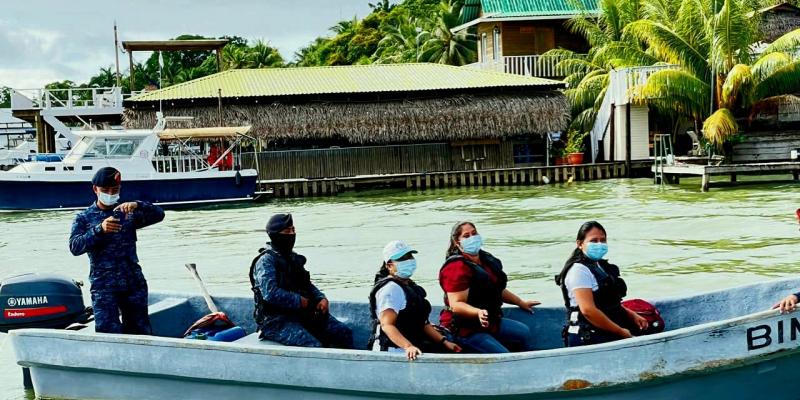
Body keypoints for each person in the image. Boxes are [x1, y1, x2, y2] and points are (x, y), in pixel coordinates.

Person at [69, 167, 165, 334]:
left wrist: (137, 204)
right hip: (104, 285)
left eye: (114, 190)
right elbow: (75, 247)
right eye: (105, 190)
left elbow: (159, 214)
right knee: (107, 332)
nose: (110, 194)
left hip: (132, 281)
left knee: (140, 330)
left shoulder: (127, 212)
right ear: (95, 189)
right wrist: (99, 229)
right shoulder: (84, 218)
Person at [249, 213, 354, 348]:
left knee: (342, 332)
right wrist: (299, 301)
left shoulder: (292, 258)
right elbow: (270, 293)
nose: (292, 234)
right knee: (313, 346)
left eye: (293, 230)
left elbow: (306, 284)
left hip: (302, 314)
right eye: (287, 231)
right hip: (275, 321)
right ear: (275, 234)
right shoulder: (266, 261)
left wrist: (320, 297)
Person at [438, 221, 539, 353]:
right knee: (503, 356)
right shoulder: (456, 267)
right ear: (457, 242)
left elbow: (496, 290)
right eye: (466, 236)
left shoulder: (485, 260)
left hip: (490, 322)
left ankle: (524, 360)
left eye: (474, 233)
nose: (472, 238)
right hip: (465, 329)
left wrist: (520, 302)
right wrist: (478, 312)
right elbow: (456, 304)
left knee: (523, 332)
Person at [556, 221, 648, 347]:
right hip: (587, 335)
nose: (599, 244)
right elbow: (588, 310)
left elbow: (607, 302)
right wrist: (621, 332)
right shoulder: (579, 270)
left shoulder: (599, 266)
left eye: (603, 240)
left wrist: (631, 314)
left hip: (607, 327)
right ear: (580, 244)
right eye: (594, 241)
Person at [369, 240, 461, 359]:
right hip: (392, 351)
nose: (408, 260)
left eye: (410, 256)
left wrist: (444, 342)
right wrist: (408, 346)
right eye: (402, 258)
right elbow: (387, 325)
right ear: (390, 265)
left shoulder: (409, 286)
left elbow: (423, 323)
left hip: (413, 347)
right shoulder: (391, 289)